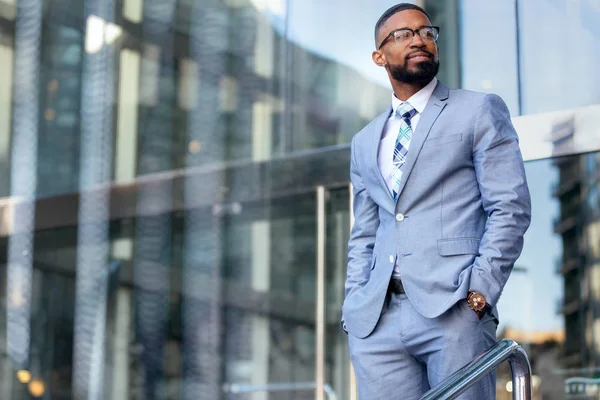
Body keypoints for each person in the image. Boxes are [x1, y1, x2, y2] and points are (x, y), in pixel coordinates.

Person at [341, 3, 532, 399]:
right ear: (379, 56)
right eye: (404, 34)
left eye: (427, 32)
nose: (419, 40)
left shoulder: (478, 110)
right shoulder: (364, 141)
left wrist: (480, 292)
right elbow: (365, 231)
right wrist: (354, 304)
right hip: (376, 321)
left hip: (454, 308)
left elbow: (509, 207)